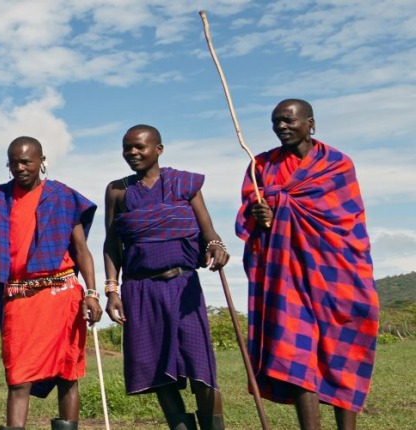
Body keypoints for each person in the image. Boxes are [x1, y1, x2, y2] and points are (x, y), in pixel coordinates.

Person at [0, 137, 102, 430]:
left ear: (41, 161)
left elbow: (81, 250)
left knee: (67, 375)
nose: (20, 167)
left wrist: (91, 291)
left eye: (26, 161)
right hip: (19, 298)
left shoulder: (63, 197)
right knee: (18, 378)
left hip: (62, 296)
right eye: (14, 162)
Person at [239, 99, 377, 430]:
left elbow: (347, 220)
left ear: (310, 124)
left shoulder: (338, 164)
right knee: (297, 354)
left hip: (337, 273)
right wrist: (262, 216)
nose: (281, 127)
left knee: (342, 348)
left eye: (288, 120)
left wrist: (282, 208)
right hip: (286, 276)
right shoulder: (261, 167)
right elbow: (248, 215)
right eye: (275, 122)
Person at [101, 125, 226, 430]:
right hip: (140, 290)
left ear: (158, 149)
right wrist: (112, 289)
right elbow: (111, 244)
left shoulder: (185, 184)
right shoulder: (118, 190)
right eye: (127, 148)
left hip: (183, 287)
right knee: (157, 370)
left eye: (139, 147)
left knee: (201, 369)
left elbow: (207, 229)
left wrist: (215, 245)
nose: (132, 153)